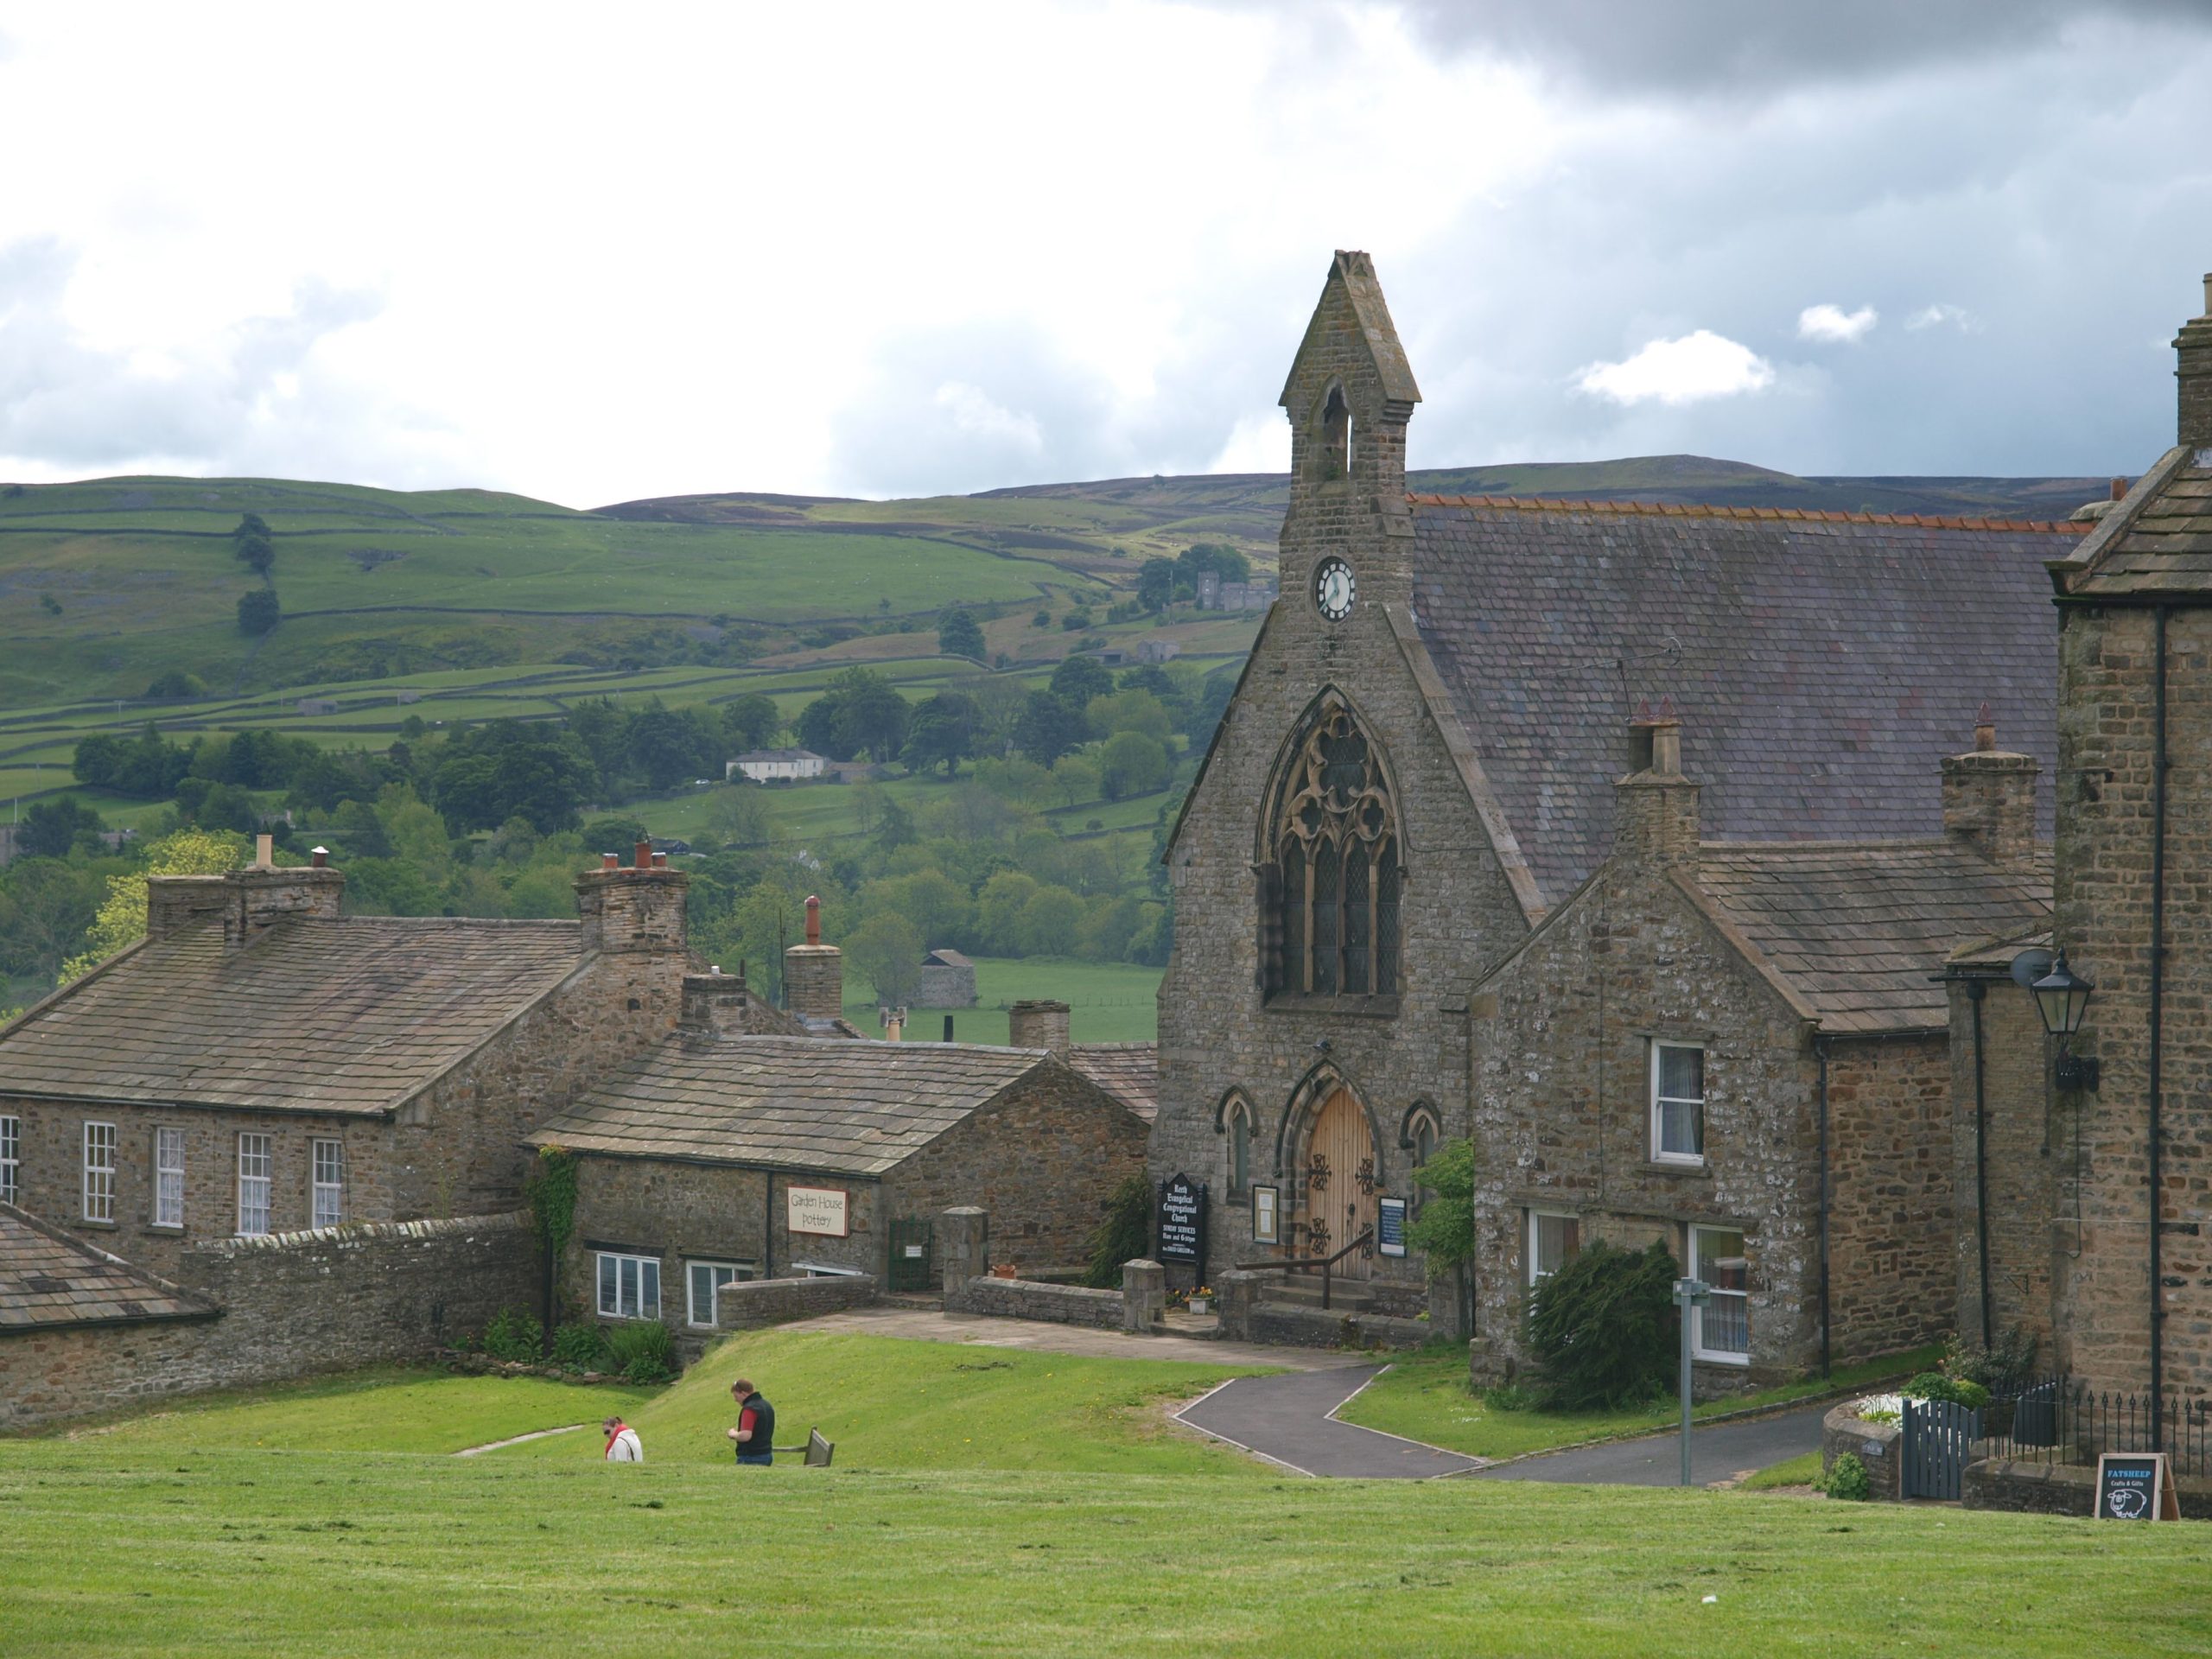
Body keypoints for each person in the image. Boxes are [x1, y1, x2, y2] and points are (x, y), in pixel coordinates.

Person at [727, 1377, 774, 1466]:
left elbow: (746, 1436)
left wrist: (733, 1434)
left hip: (751, 1457)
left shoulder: (749, 1409)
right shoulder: (766, 1405)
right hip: (767, 1454)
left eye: (736, 1396)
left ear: (744, 1394)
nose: (735, 1400)